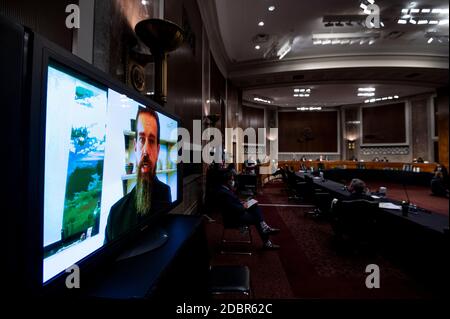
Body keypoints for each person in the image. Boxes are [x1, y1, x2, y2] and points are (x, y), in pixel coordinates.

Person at [104, 107, 172, 243]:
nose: (145, 150)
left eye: (151, 141)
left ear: (158, 151)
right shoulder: (115, 215)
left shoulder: (166, 195)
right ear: (135, 147)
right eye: (141, 139)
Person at [217, 170, 281, 250]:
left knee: (255, 206)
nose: (233, 181)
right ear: (226, 181)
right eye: (231, 179)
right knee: (257, 217)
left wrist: (242, 202)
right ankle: (266, 239)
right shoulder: (223, 192)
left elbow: (232, 204)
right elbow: (232, 208)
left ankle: (265, 231)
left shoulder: (225, 189)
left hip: (236, 213)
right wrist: (243, 206)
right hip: (233, 218)